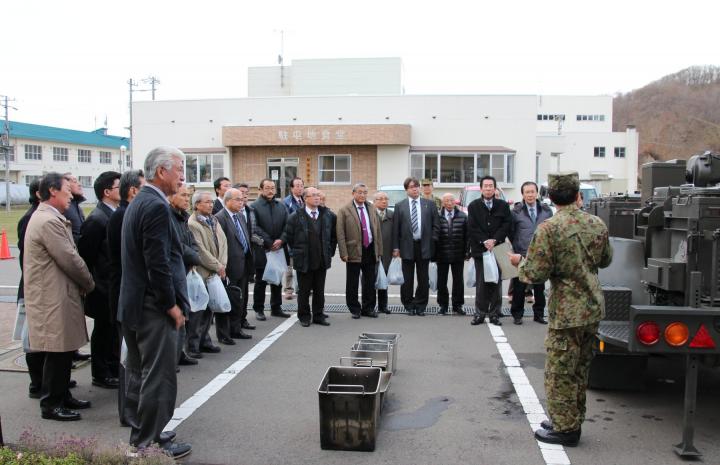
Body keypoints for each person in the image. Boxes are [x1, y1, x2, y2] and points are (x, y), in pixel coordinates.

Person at [509, 171, 612, 447]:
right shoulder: (597, 224)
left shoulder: (550, 228)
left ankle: (565, 429)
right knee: (580, 369)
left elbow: (534, 274)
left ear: (551, 198)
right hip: (591, 308)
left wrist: (519, 262)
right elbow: (605, 261)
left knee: (559, 372)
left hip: (567, 312)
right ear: (578, 195)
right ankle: (570, 419)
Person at [118, 146, 192, 459]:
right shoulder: (156, 207)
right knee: (158, 378)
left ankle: (143, 435)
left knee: (139, 374)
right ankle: (147, 444)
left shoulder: (141, 202)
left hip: (134, 304)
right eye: (179, 169)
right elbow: (157, 264)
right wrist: (170, 305)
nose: (183, 177)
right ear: (161, 171)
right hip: (152, 308)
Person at [24, 172, 95, 421]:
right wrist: (89, 281)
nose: (71, 195)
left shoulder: (50, 217)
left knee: (64, 350)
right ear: (52, 191)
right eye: (67, 190)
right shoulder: (48, 221)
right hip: (52, 297)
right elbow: (70, 259)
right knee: (56, 351)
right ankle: (52, 404)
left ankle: (62, 395)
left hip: (58, 294)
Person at [107, 169, 145, 427]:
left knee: (135, 360)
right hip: (127, 296)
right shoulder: (123, 216)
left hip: (131, 295)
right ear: (133, 191)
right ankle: (129, 414)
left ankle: (136, 411)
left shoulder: (126, 213)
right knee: (130, 361)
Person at [78, 171, 122, 389]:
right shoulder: (97, 219)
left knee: (113, 330)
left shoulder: (114, 214)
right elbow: (86, 256)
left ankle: (113, 366)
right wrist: (93, 285)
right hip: (102, 286)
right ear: (107, 192)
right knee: (103, 330)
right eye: (118, 187)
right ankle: (101, 372)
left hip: (113, 285)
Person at [282, 187, 337, 327]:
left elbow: (332, 235)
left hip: (321, 258)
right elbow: (289, 237)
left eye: (318, 195)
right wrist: (298, 252)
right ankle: (304, 316)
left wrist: (329, 251)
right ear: (305, 198)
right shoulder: (296, 216)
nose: (317, 197)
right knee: (304, 291)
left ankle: (318, 315)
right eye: (313, 195)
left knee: (319, 290)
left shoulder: (327, 215)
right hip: (303, 259)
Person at [467, 175, 512, 326]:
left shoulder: (503, 205)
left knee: (496, 282)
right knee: (481, 284)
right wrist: (485, 241)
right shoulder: (473, 206)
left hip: (498, 248)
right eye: (485, 186)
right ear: (481, 188)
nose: (488, 188)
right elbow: (472, 227)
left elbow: (506, 225)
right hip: (481, 249)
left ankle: (494, 314)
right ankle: (479, 313)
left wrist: (495, 240)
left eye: (491, 186)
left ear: (495, 188)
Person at [187, 191, 227, 357]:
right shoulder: (193, 223)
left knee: (209, 310)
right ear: (197, 205)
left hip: (215, 270)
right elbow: (200, 251)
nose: (211, 205)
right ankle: (193, 345)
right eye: (206, 202)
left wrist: (222, 264)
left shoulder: (214, 220)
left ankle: (205, 341)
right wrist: (217, 265)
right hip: (202, 271)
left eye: (211, 202)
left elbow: (223, 242)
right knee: (198, 311)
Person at [392, 177, 439, 316]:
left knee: (423, 278)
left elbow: (436, 225)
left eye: (417, 186)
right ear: (406, 189)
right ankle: (408, 304)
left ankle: (420, 305)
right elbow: (396, 229)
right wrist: (396, 247)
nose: (415, 189)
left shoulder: (429, 204)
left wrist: (432, 240)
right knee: (407, 278)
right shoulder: (400, 205)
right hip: (406, 246)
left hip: (424, 245)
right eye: (412, 187)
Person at [337, 183, 383, 319]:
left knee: (370, 281)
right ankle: (354, 309)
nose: (362, 195)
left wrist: (379, 250)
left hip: (370, 249)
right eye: (359, 192)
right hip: (353, 251)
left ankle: (368, 308)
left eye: (364, 192)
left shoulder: (372, 208)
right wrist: (343, 252)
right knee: (352, 282)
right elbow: (340, 233)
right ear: (353, 193)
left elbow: (378, 230)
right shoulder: (344, 210)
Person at [509, 181, 553, 325]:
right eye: (527, 192)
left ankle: (539, 314)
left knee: (539, 287)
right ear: (522, 194)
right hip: (522, 253)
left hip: (541, 254)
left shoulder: (546, 210)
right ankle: (517, 314)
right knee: (519, 287)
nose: (530, 195)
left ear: (537, 193)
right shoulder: (516, 211)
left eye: (532, 192)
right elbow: (511, 232)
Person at [168, 184, 202, 366]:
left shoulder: (184, 218)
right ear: (171, 197)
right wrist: (194, 256)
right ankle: (172, 357)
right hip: (175, 271)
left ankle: (180, 352)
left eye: (188, 196)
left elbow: (192, 242)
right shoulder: (168, 217)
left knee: (184, 312)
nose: (186, 199)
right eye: (183, 195)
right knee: (175, 315)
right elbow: (177, 246)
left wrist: (194, 255)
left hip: (186, 270)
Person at [214, 188, 254, 342]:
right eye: (238, 199)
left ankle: (236, 328)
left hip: (243, 264)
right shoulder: (220, 218)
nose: (242, 202)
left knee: (239, 300)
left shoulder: (240, 217)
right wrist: (221, 266)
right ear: (228, 200)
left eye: (242, 199)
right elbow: (219, 245)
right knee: (226, 301)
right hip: (228, 266)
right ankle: (224, 334)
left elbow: (246, 239)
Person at [251, 178, 291, 320]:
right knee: (261, 281)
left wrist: (281, 240)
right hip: (263, 249)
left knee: (277, 280)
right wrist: (269, 242)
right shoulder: (254, 206)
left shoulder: (281, 206)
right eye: (267, 188)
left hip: (279, 249)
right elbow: (254, 228)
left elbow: (288, 225)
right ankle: (259, 308)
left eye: (272, 188)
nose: (270, 190)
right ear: (260, 189)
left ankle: (276, 307)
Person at [62, 173, 91, 363]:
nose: (79, 185)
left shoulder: (75, 207)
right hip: (73, 268)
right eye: (73, 182)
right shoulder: (66, 210)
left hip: (79, 264)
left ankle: (73, 350)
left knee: (75, 314)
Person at [436, 193, 468, 315]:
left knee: (458, 281)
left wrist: (467, 252)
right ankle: (443, 305)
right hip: (441, 253)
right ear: (443, 203)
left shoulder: (463, 216)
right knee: (441, 281)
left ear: (455, 202)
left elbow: (467, 236)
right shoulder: (437, 216)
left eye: (451, 200)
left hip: (458, 253)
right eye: (446, 201)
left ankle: (457, 305)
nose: (449, 203)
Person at [282, 177, 304, 300]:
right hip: (292, 237)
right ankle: (288, 290)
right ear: (291, 188)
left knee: (303, 265)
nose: (300, 188)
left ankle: (302, 287)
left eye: (301, 185)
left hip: (304, 238)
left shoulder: (305, 200)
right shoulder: (287, 202)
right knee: (290, 266)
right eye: (297, 186)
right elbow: (286, 221)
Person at [374, 191, 393, 314]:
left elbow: (397, 233)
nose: (384, 201)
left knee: (384, 278)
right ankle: (369, 305)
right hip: (372, 251)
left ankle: (383, 305)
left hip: (387, 250)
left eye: (386, 199)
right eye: (380, 199)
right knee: (371, 278)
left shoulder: (392, 214)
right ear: (374, 201)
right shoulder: (370, 213)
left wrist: (396, 249)